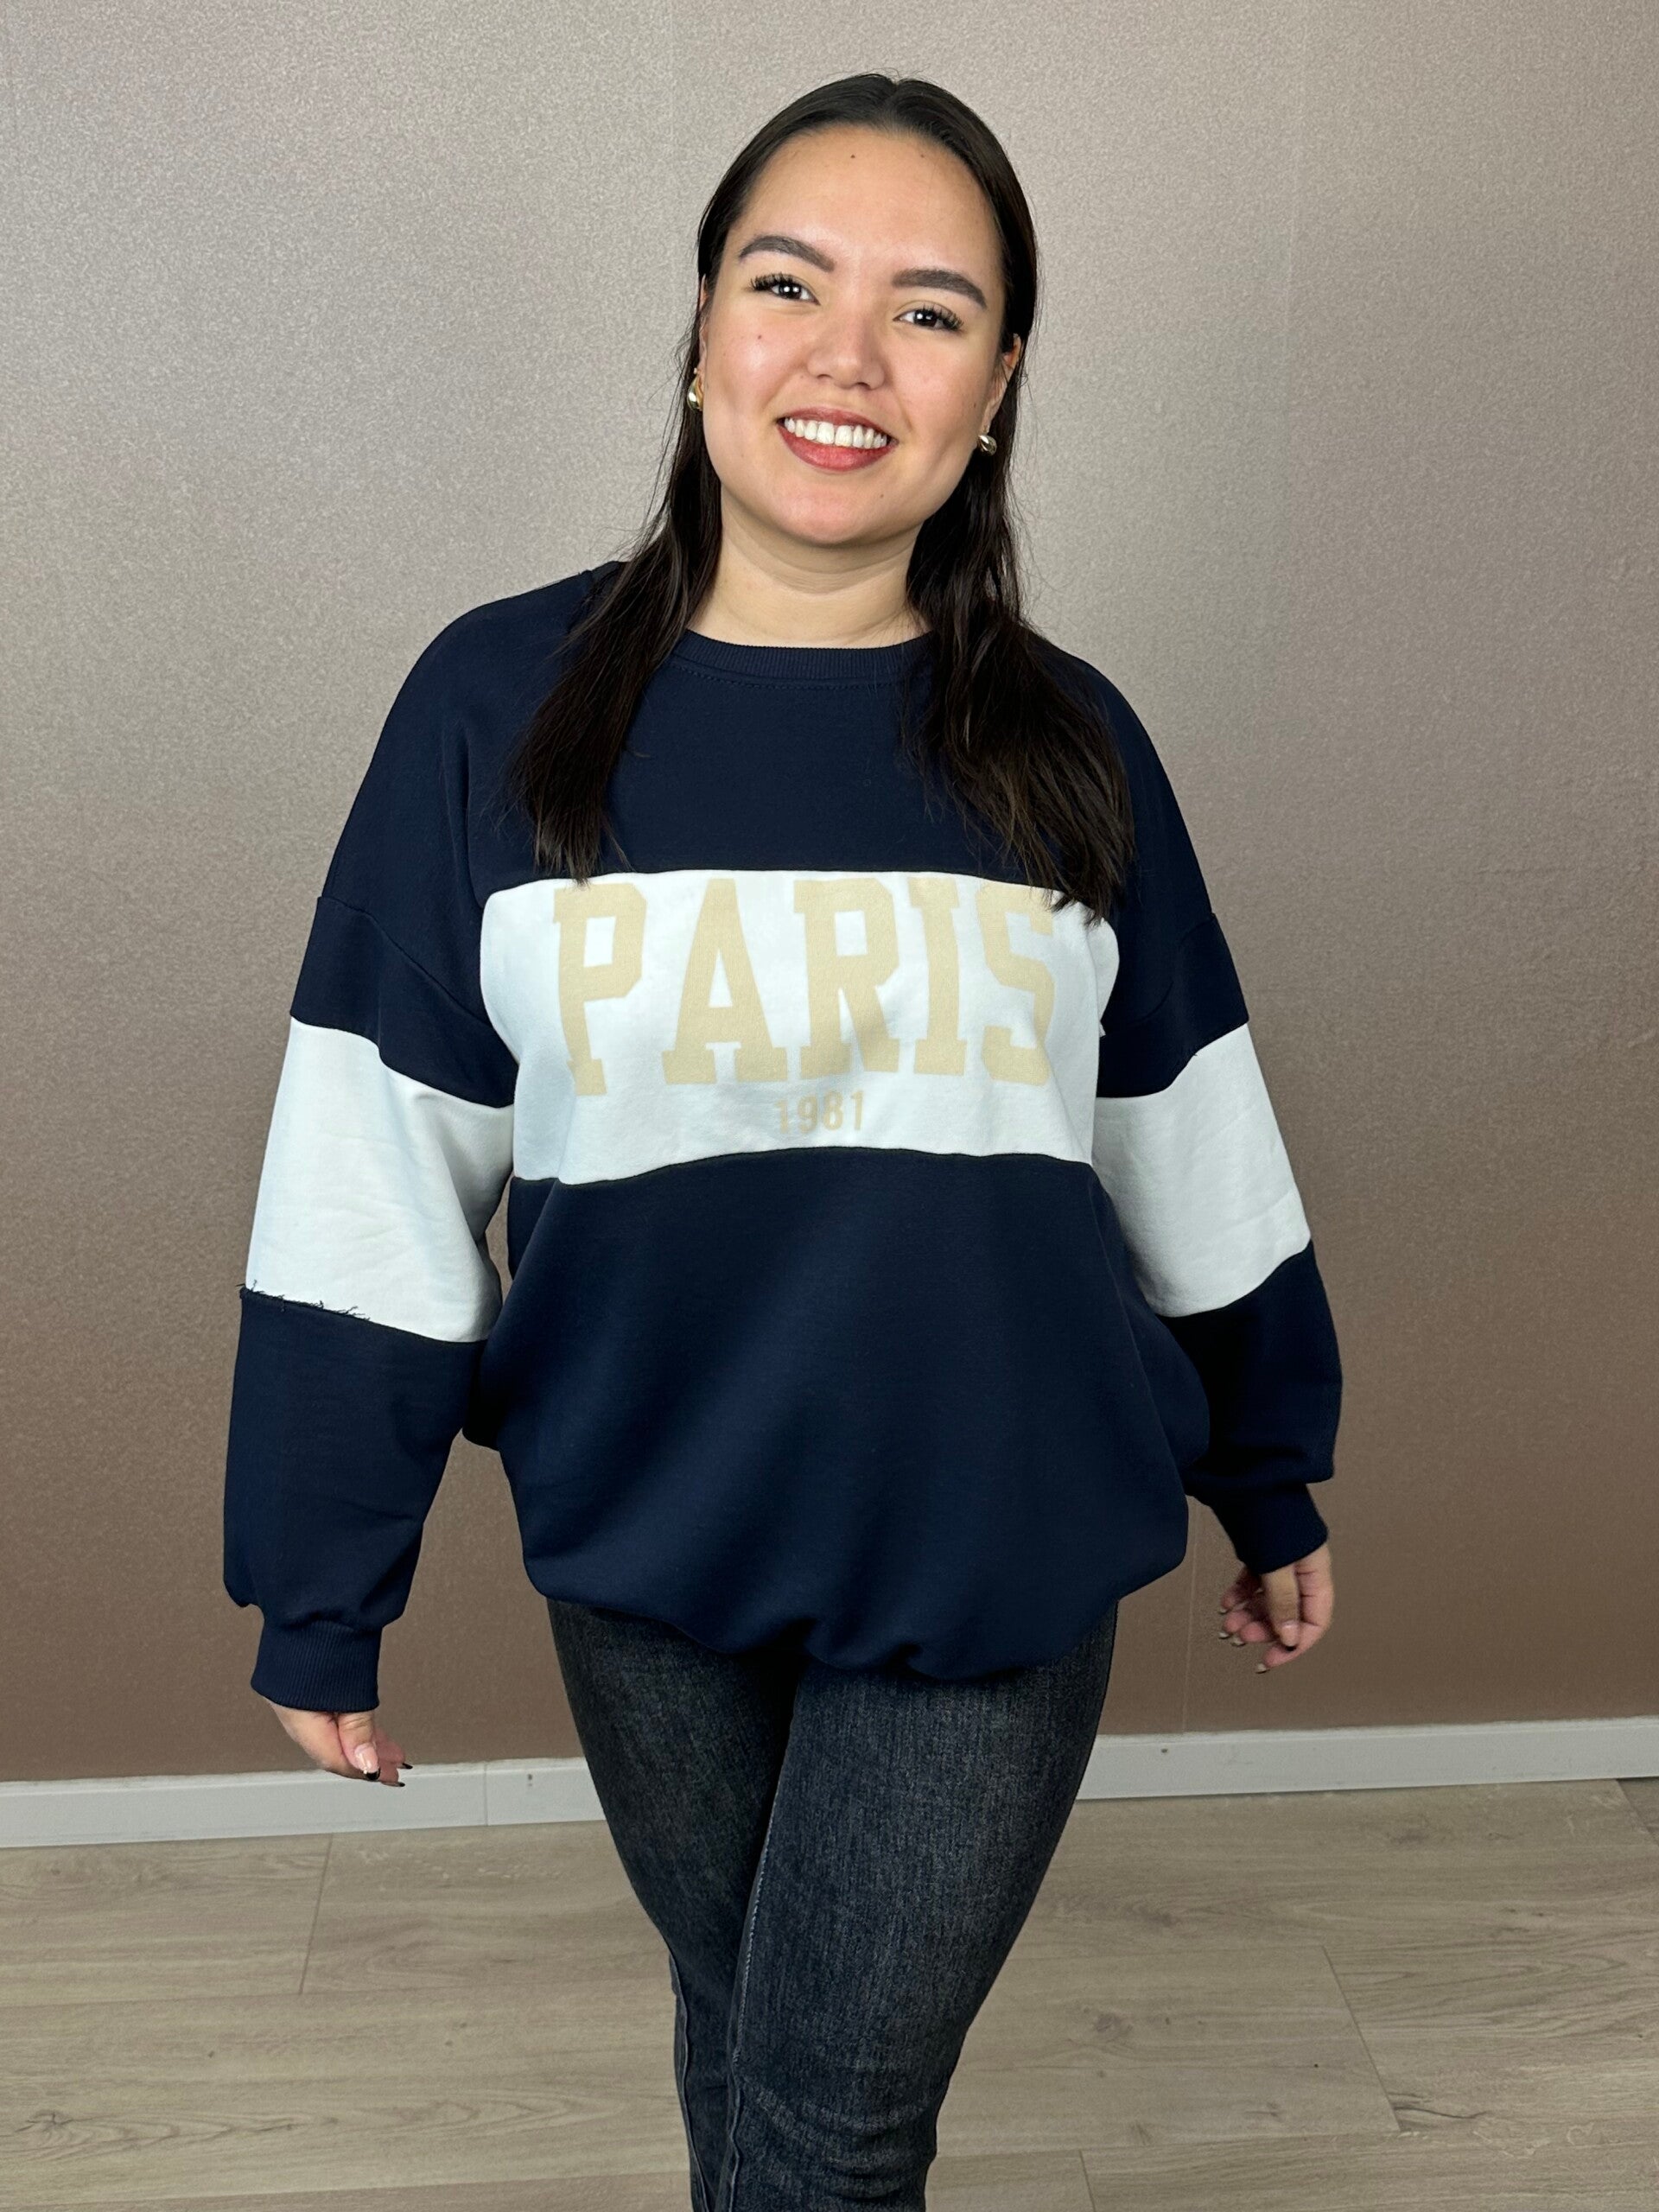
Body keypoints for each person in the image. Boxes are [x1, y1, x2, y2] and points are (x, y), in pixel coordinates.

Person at [223, 72, 1340, 2211]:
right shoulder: (494, 707)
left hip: (995, 1524)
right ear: (704, 330)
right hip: (651, 1537)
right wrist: (319, 1572)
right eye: (787, 283)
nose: (848, 356)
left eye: (930, 311)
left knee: (828, 2124)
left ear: (997, 389)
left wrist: (1268, 1455)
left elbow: (1186, 1125)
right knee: (745, 2028)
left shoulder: (1072, 746)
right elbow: (374, 1156)